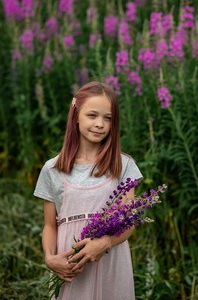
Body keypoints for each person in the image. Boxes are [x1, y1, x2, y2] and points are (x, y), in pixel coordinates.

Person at [34, 81, 143, 300]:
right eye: (92, 115)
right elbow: (49, 225)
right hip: (72, 267)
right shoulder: (53, 169)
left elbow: (129, 219)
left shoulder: (123, 165)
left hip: (110, 260)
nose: (100, 124)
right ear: (76, 116)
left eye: (108, 118)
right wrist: (50, 258)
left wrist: (105, 243)